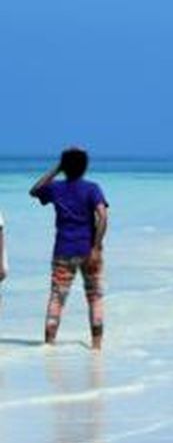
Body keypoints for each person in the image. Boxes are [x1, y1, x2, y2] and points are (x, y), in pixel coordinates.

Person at [29, 148, 109, 350]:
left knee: (57, 297)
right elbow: (103, 216)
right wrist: (96, 247)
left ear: (65, 167)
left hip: (63, 250)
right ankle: (97, 346)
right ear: (85, 166)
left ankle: (48, 345)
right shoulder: (92, 189)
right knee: (95, 297)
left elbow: (34, 190)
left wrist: (56, 170)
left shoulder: (56, 188)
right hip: (88, 250)